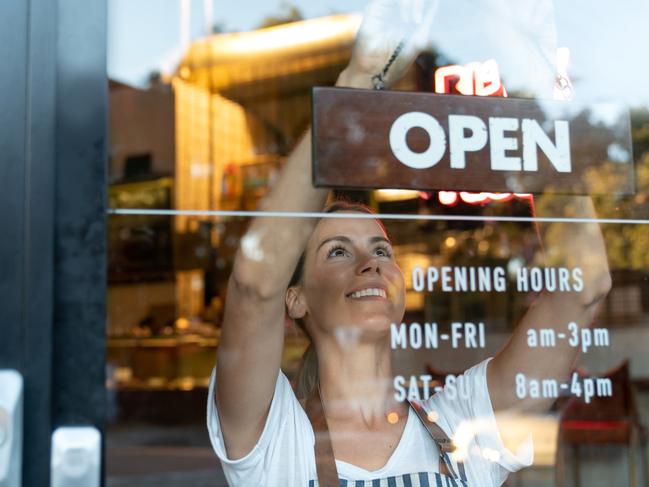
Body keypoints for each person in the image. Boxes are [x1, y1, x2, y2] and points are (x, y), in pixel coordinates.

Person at [207, 1, 612, 485]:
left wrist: (531, 91)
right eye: (338, 250)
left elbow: (583, 286)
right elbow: (255, 283)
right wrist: (357, 84)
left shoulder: (464, 424)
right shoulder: (273, 440)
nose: (370, 264)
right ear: (294, 298)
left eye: (381, 251)